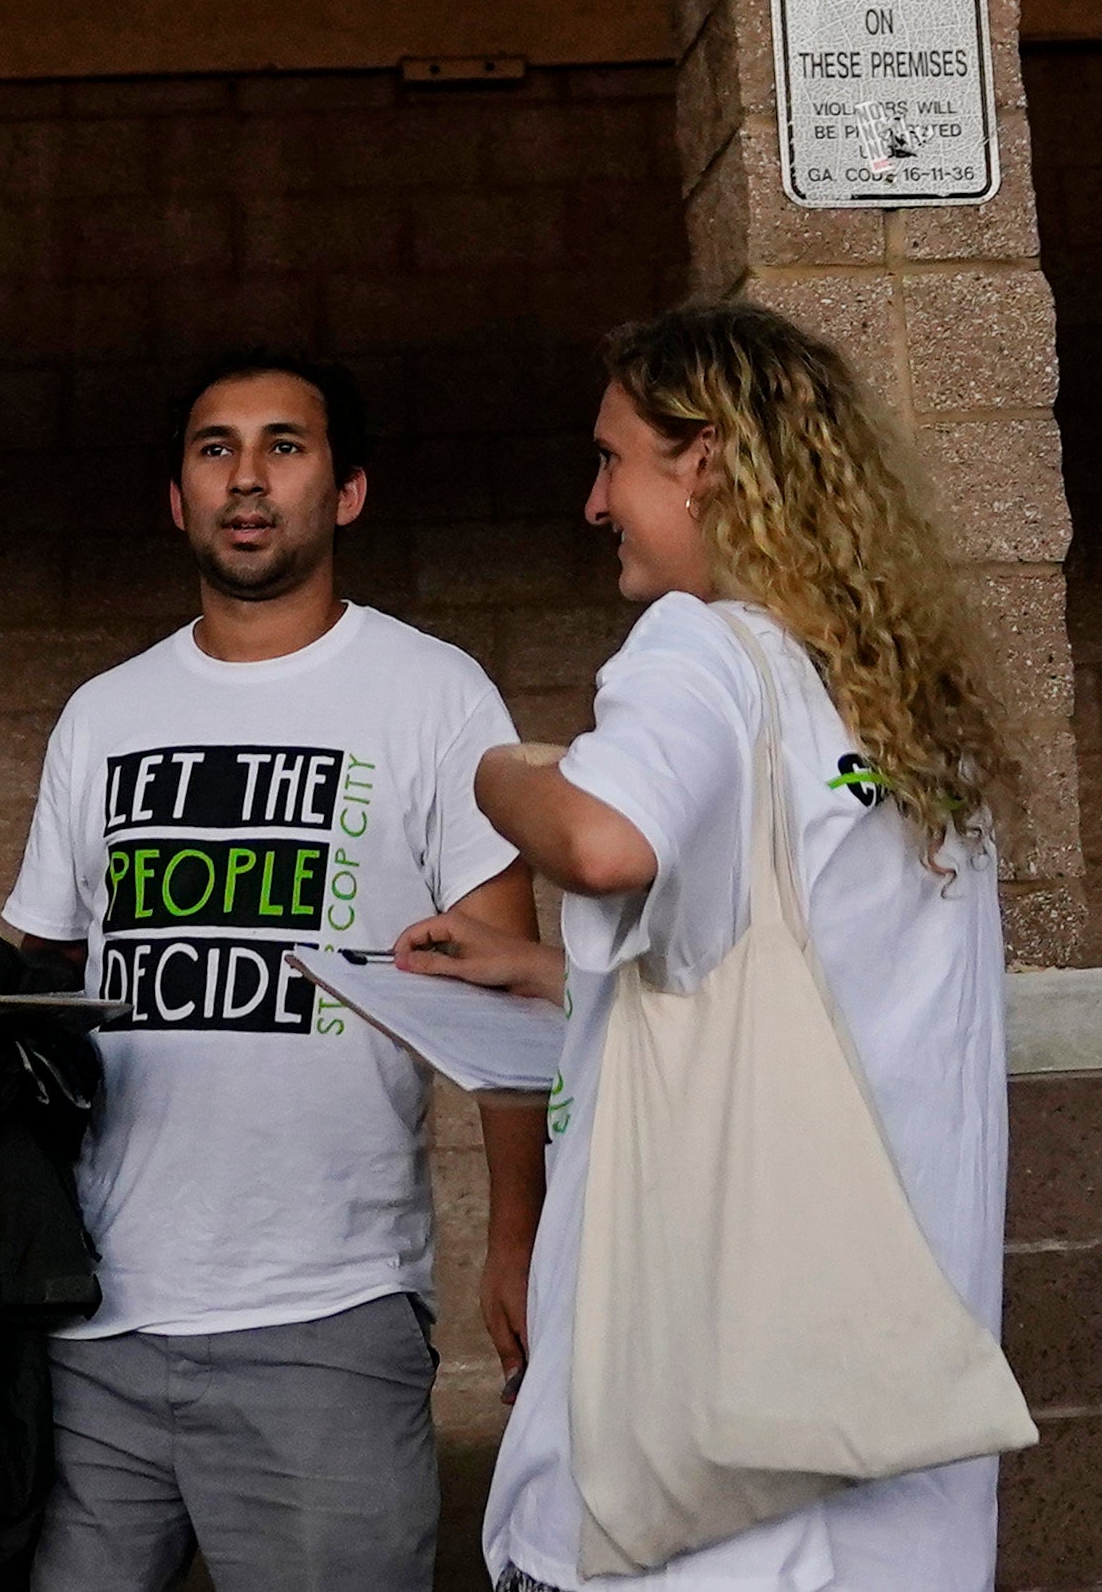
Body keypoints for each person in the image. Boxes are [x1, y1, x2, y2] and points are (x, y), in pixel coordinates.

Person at [395, 301, 1016, 1592]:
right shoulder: (899, 706)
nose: (594, 500)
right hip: (895, 1439)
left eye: (613, 457)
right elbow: (804, 989)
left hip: (713, 1486)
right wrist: (556, 978)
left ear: (707, 459)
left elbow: (604, 844)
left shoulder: (707, 646)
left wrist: (499, 772)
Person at [0, 354, 552, 1592]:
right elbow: (37, 990)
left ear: (346, 491)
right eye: (215, 447)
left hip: (325, 1314)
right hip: (92, 1319)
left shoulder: (433, 692)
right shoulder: (103, 713)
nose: (246, 477)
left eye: (284, 446)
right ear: (177, 495)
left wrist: (521, 1230)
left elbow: (513, 1003)